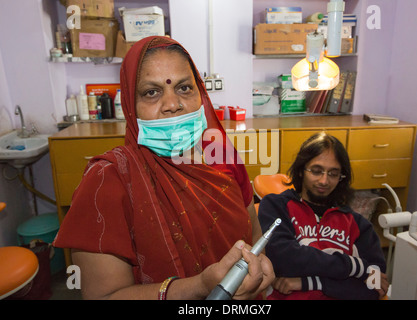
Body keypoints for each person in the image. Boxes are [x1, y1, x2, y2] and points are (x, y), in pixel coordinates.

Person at [53, 36, 274, 300]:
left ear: (200, 94)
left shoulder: (223, 157)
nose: (172, 104)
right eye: (151, 92)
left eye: (184, 88)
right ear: (130, 107)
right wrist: (201, 286)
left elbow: (255, 236)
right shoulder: (108, 181)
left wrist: (261, 266)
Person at [258, 132, 389, 300]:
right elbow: (283, 259)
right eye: (316, 171)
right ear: (301, 171)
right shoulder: (276, 206)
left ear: (341, 177)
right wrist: (356, 268)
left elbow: (375, 287)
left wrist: (310, 283)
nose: (324, 181)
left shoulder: (358, 225)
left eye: (333, 174)